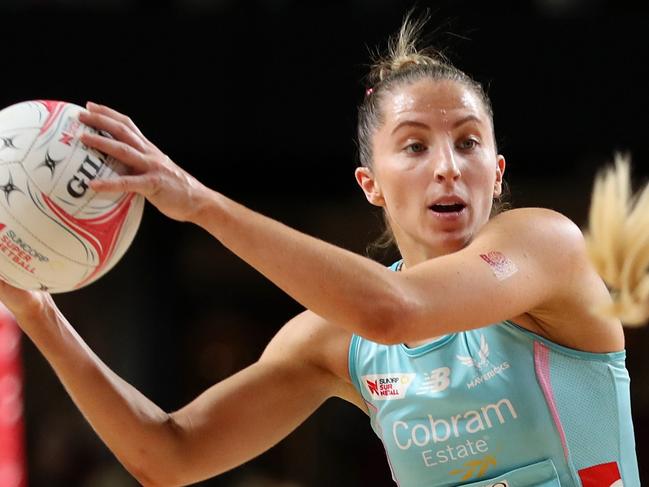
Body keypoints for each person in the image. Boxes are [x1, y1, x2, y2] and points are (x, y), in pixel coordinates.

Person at [0, 14, 645, 487]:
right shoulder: (336, 342)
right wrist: (38, 313)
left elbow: (397, 310)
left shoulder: (548, 246)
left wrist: (198, 201)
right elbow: (169, 454)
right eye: (415, 146)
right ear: (371, 185)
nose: (448, 167)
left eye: (470, 143)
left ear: (498, 173)